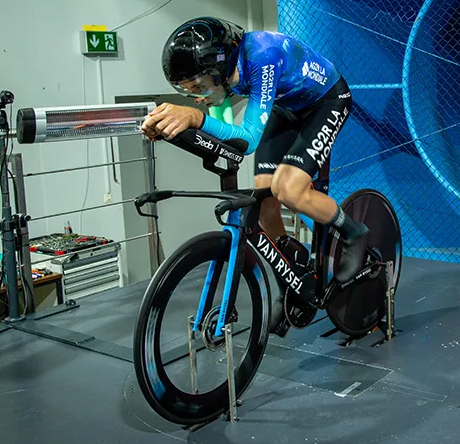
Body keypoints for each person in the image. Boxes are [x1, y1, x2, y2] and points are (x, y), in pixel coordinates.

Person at [141, 17, 369, 329]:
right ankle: (291, 280)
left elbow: (246, 140)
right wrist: (171, 130)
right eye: (187, 89)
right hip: (286, 106)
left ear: (218, 67)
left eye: (198, 86)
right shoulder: (226, 70)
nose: (197, 95)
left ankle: (354, 232)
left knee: (288, 189)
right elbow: (219, 125)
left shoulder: (263, 56)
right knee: (262, 205)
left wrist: (194, 117)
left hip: (326, 101)